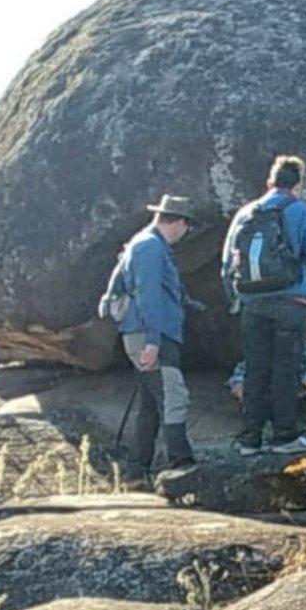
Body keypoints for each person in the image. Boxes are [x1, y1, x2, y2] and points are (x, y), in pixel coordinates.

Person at [221, 155, 306, 456]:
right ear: (297, 185)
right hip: (290, 301)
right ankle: (285, 436)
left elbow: (227, 264)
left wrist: (237, 299)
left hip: (252, 303)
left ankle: (249, 439)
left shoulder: (246, 214)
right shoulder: (303, 213)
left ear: (269, 182)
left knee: (255, 369)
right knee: (287, 368)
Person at [115, 193, 200, 483]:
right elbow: (148, 294)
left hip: (144, 333)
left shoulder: (142, 244)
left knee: (150, 405)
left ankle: (136, 472)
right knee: (172, 396)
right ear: (179, 222)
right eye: (187, 227)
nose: (186, 233)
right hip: (152, 336)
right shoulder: (151, 248)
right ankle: (182, 466)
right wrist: (152, 340)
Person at [226, 339, 306, 401]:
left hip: (299, 400)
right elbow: (239, 375)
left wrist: (296, 385)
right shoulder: (262, 347)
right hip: (265, 399)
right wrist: (240, 387)